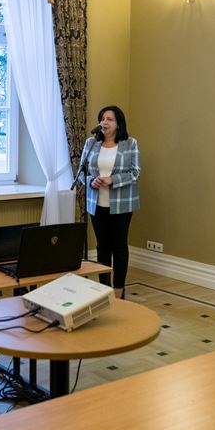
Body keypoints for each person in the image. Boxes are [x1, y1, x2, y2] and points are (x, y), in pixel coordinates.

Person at [81, 105, 140, 300]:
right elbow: (81, 172)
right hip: (96, 203)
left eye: (109, 119)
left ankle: (119, 290)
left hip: (122, 204)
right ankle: (104, 289)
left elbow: (135, 173)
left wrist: (112, 180)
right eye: (102, 118)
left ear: (118, 124)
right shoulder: (91, 143)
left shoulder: (130, 144)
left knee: (119, 247)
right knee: (102, 247)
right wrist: (91, 181)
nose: (104, 122)